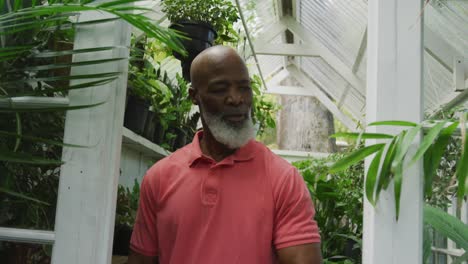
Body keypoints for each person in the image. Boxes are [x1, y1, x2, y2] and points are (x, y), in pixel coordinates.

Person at [128, 46, 322, 264]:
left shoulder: (282, 179)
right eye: (220, 89)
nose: (236, 99)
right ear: (195, 96)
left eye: (244, 88)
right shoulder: (160, 178)